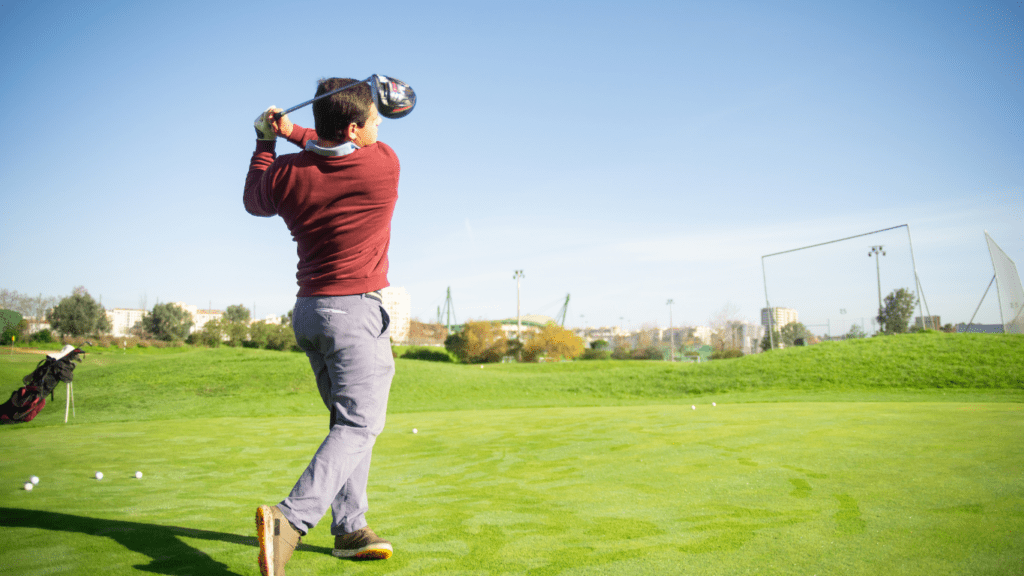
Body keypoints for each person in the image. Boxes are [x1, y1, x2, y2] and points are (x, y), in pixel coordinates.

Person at [243, 77, 400, 576]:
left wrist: (269, 139)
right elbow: (333, 145)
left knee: (346, 423)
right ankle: (290, 520)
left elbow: (254, 199)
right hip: (354, 314)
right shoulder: (382, 166)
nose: (378, 128)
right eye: (373, 121)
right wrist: (293, 133)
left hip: (310, 313)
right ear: (355, 129)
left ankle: (350, 528)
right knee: (360, 424)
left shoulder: (286, 173)